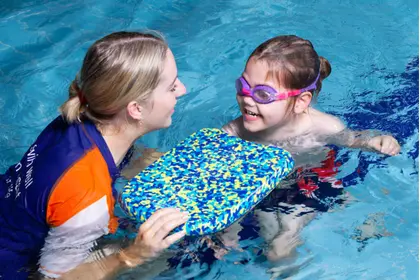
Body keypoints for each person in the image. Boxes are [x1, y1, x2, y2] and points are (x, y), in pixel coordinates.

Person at [0, 31, 189, 279]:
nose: (182, 90)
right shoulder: (89, 205)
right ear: (136, 109)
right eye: (171, 86)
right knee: (170, 252)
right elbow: (53, 278)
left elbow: (116, 160)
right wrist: (133, 255)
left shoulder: (80, 116)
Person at [219, 35, 401, 261]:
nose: (247, 99)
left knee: (281, 247)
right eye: (243, 85)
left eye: (262, 94)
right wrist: (228, 231)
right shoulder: (234, 133)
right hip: (269, 191)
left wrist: (374, 141)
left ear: (301, 101)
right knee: (273, 245)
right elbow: (225, 183)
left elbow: (352, 139)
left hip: (315, 181)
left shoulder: (322, 126)